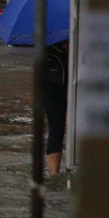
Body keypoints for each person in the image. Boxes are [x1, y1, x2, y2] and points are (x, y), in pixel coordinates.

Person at [44, 41, 70, 175]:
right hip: (52, 92)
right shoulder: (47, 49)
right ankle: (54, 173)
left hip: (76, 91)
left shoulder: (81, 47)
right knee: (56, 130)